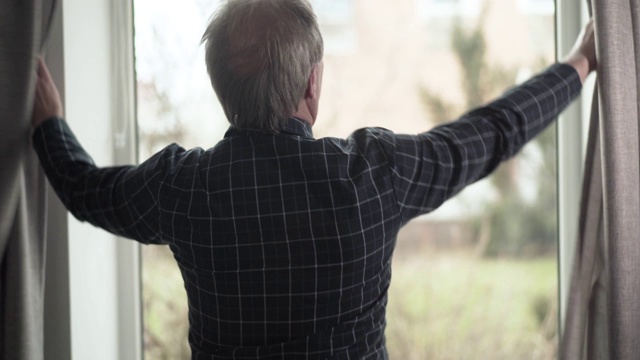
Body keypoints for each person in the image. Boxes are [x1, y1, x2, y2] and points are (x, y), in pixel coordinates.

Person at [31, 0, 596, 358]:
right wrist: (580, 65)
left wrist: (49, 123)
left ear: (223, 90)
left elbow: (86, 191)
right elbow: (491, 133)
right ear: (312, 87)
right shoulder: (375, 173)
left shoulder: (183, 189)